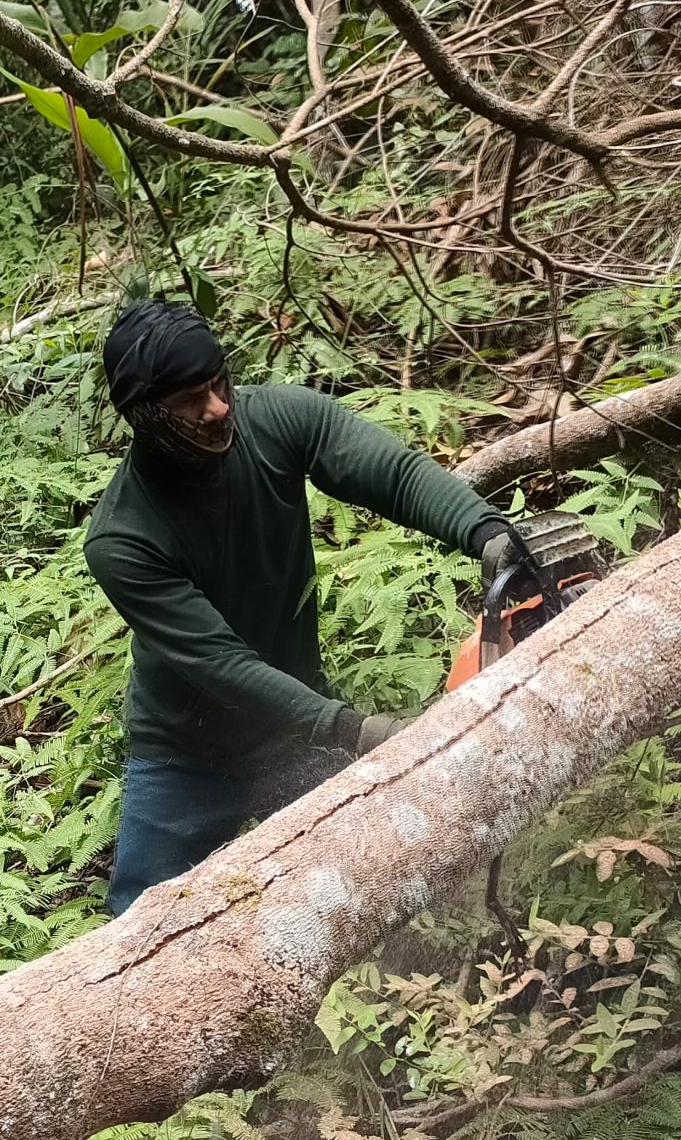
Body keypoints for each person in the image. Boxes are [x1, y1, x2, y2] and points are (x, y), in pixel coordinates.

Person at [84, 298, 528, 914]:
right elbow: (222, 664)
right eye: (190, 400)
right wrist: (352, 729)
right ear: (144, 416)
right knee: (138, 924)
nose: (216, 408)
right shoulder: (123, 538)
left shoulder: (277, 420)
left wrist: (488, 535)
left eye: (219, 383)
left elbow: (393, 474)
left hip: (294, 729)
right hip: (184, 756)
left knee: (373, 884)